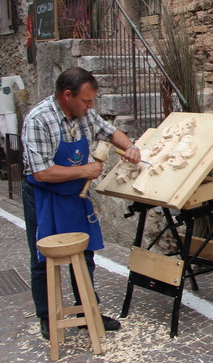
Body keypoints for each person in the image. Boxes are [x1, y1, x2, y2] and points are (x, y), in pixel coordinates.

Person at [21, 67, 141, 340]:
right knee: (43, 258)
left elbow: (110, 133)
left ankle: (88, 312)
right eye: (86, 100)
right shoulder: (39, 120)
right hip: (43, 194)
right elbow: (41, 172)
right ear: (66, 96)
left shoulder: (85, 114)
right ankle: (47, 317)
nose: (91, 106)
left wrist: (131, 146)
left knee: (84, 254)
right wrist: (85, 171)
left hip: (76, 194)